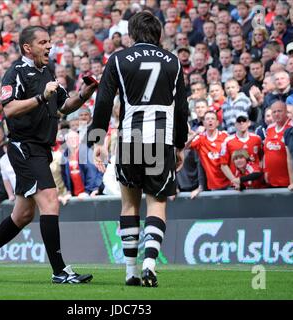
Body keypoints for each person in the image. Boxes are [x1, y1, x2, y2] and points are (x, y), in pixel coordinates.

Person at [0, 26, 97, 284]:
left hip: (41, 149)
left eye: (49, 41)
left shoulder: (46, 72)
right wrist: (40, 97)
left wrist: (85, 93)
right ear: (28, 47)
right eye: (43, 42)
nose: (49, 46)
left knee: (23, 214)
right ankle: (60, 271)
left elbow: (64, 105)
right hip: (24, 147)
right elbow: (10, 109)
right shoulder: (15, 73)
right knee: (50, 201)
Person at [91, 12, 188, 287]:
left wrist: (97, 140)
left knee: (129, 203)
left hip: (130, 137)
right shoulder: (173, 61)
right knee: (156, 202)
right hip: (160, 137)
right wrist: (179, 144)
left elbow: (104, 101)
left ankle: (130, 271)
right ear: (158, 34)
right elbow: (182, 108)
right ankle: (150, 264)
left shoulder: (119, 60)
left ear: (132, 34)